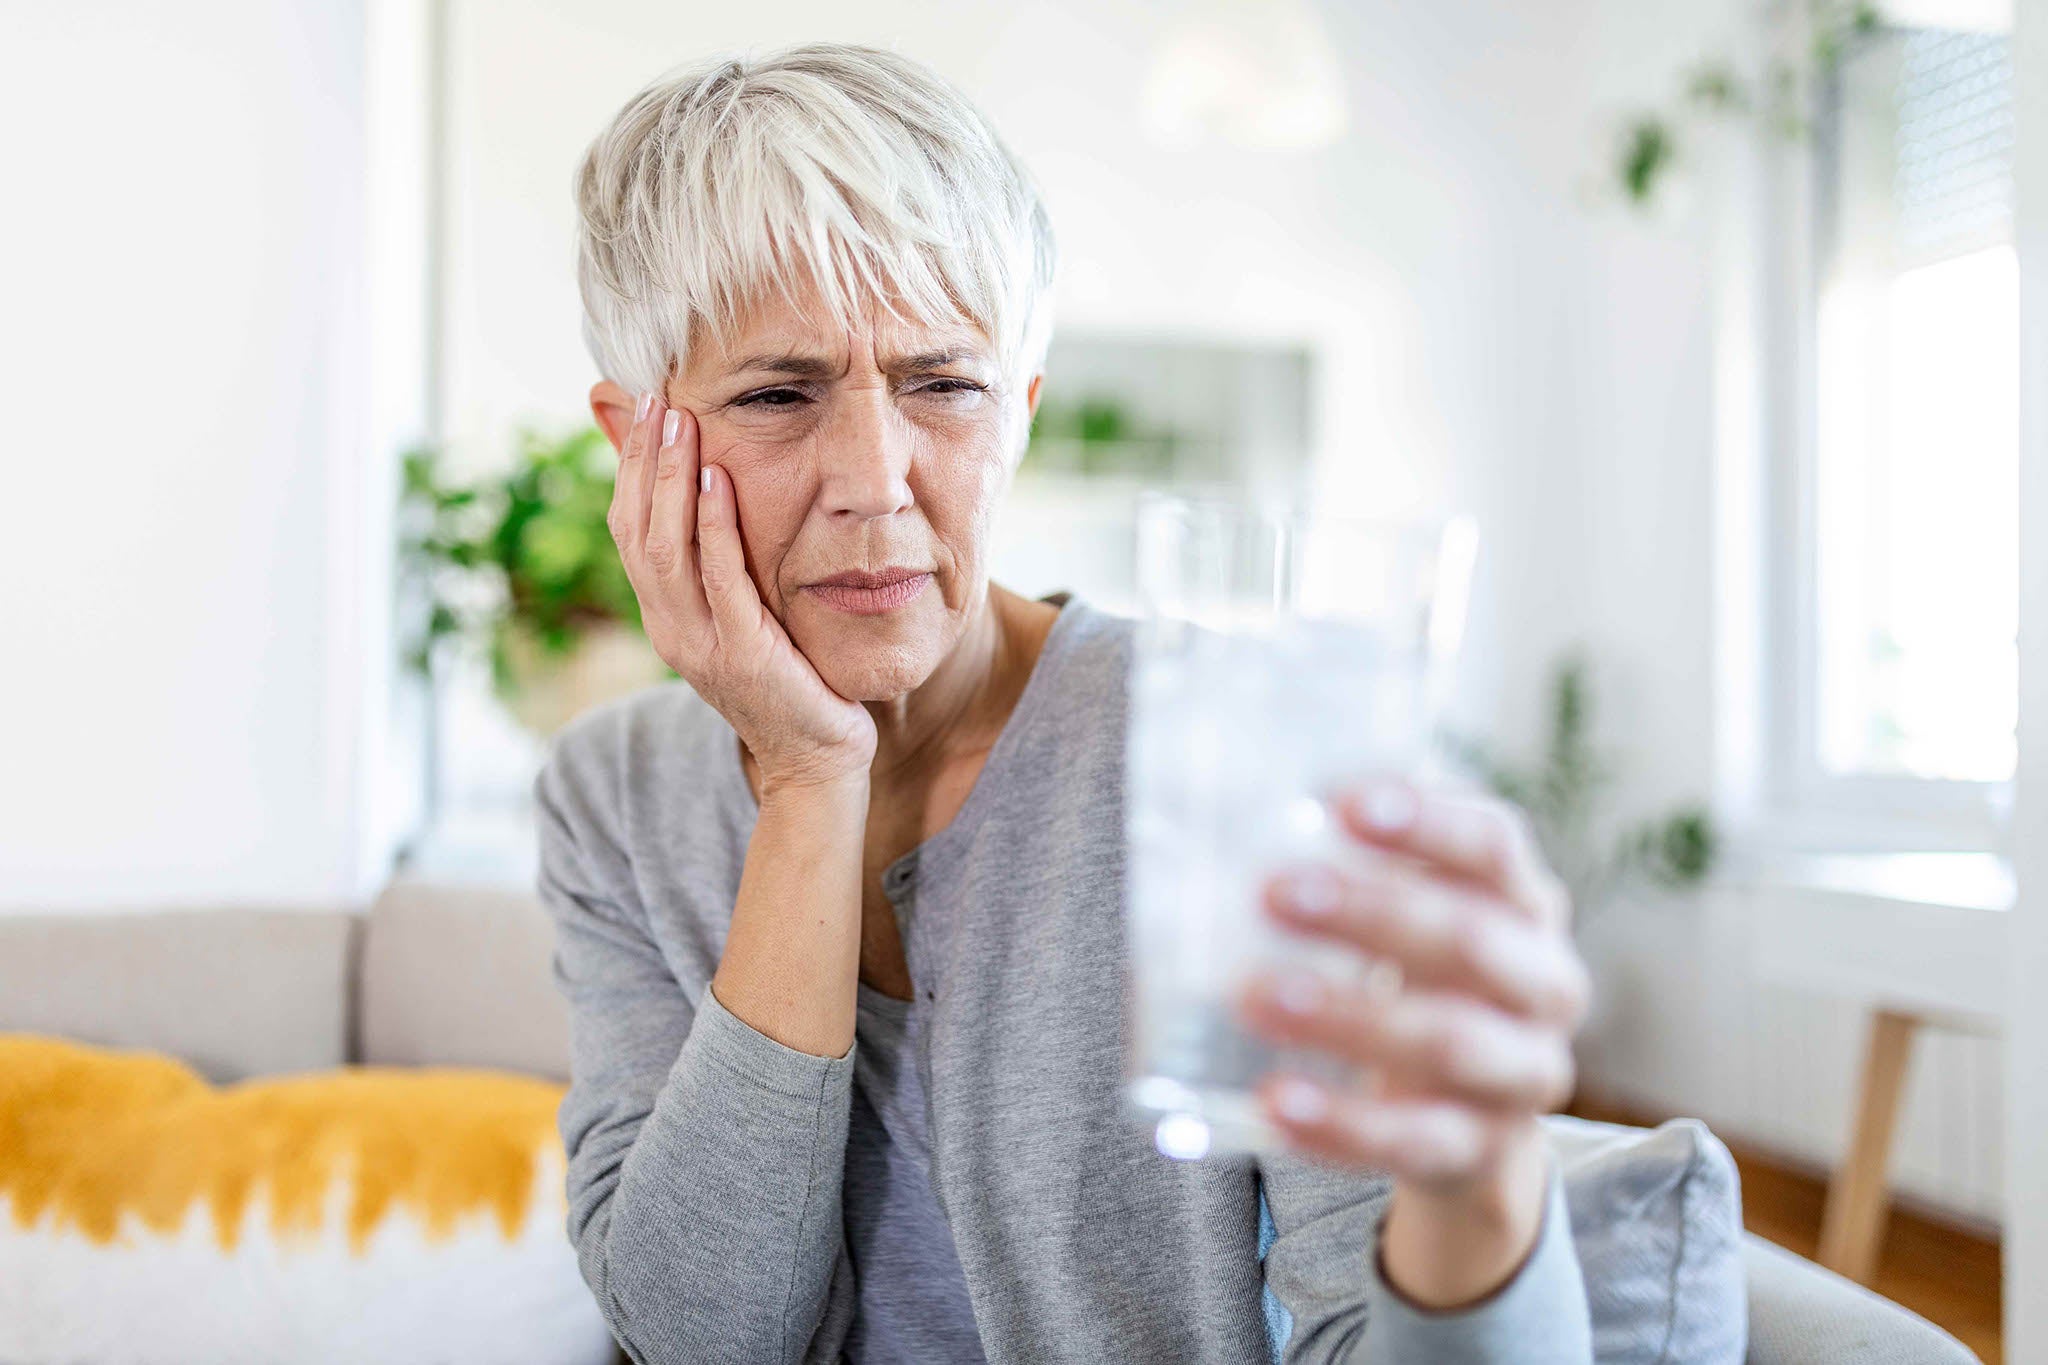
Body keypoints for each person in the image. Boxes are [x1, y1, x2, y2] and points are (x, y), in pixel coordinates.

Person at [534, 40, 1595, 1364]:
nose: (876, 478)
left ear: (1020, 411)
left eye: (944, 384)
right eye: (777, 392)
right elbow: (702, 1333)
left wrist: (1480, 1180)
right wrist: (809, 778)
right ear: (638, 440)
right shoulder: (610, 792)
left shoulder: (1232, 745)